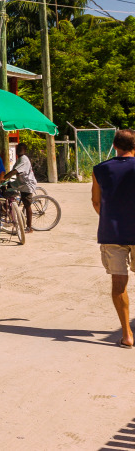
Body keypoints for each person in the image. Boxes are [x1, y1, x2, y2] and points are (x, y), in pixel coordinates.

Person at [91, 129, 135, 348]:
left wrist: (112, 218)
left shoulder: (100, 169)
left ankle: (127, 334)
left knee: (119, 283)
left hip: (112, 232)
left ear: (115, 145)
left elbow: (96, 202)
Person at [3, 143, 37, 232]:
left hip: (27, 184)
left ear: (25, 150)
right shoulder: (19, 159)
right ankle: (8, 210)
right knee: (5, 188)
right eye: (18, 149)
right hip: (20, 182)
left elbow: (15, 171)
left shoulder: (24, 159)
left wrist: (4, 178)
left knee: (27, 205)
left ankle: (29, 227)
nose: (19, 150)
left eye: (21, 149)